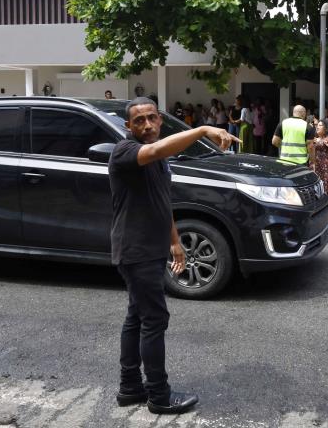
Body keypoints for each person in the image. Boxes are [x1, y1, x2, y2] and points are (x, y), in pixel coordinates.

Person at [109, 97, 237, 415]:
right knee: (154, 319)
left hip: (150, 247)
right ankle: (159, 395)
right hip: (135, 249)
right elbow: (155, 149)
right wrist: (205, 128)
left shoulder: (159, 160)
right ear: (129, 126)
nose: (147, 125)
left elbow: (161, 201)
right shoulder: (126, 152)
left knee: (137, 317)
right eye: (139, 120)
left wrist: (175, 242)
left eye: (152, 118)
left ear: (160, 120)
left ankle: (129, 388)